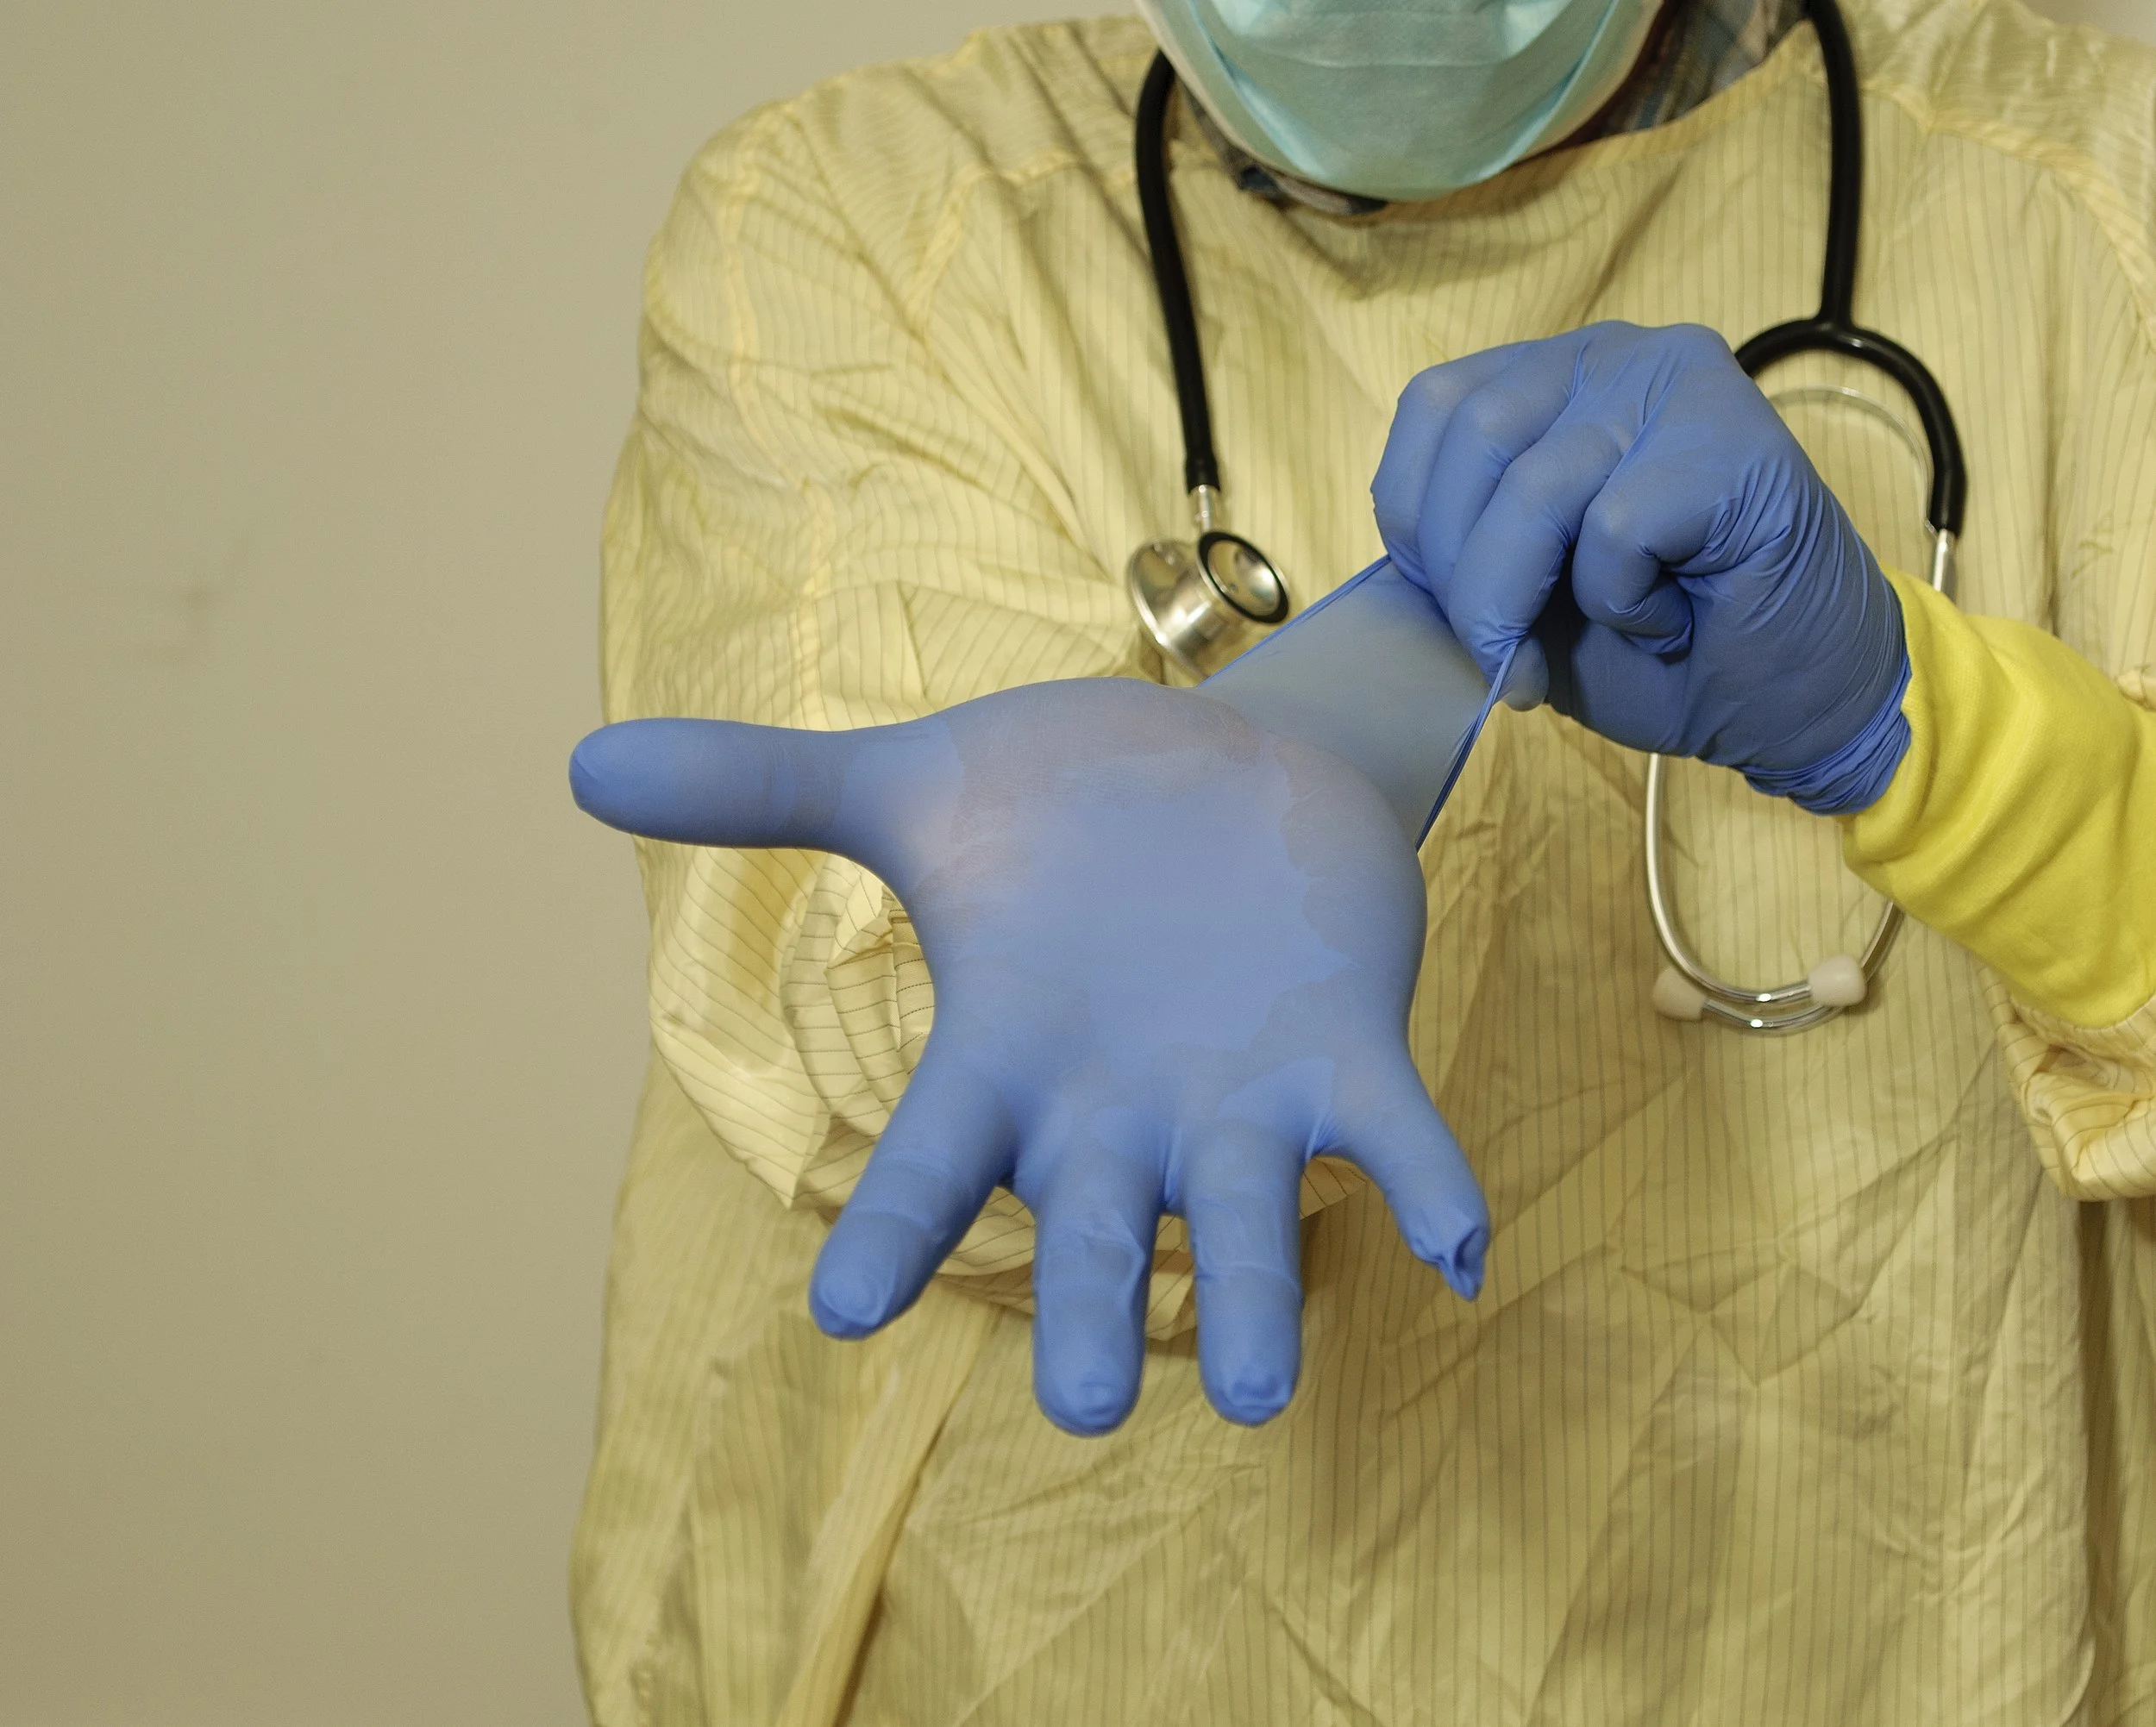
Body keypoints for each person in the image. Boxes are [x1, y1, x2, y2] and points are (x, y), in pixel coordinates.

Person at [567, 0, 2156, 1719]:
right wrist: (1067, 910)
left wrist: (1939, 736)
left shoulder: (2095, 190)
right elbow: (844, 997)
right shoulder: (873, 221)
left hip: (1905, 1641)